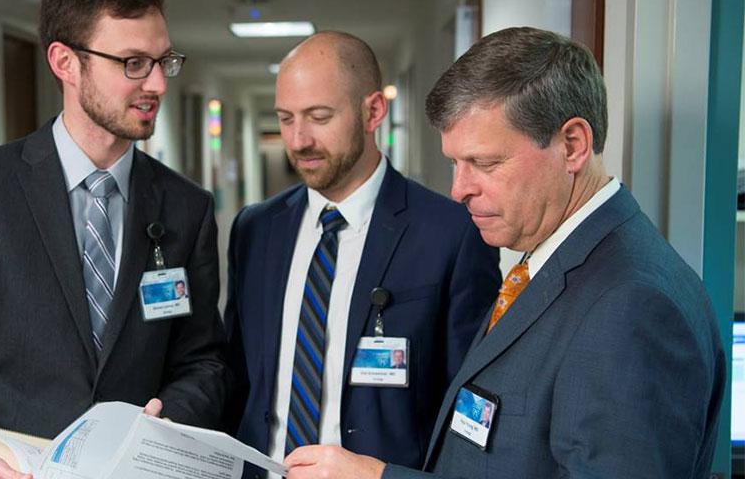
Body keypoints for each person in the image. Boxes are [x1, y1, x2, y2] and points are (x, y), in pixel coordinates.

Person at [282, 27, 725, 479]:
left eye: (486, 163)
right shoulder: (544, 262)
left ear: (572, 145)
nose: (459, 190)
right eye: (456, 163)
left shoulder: (631, 305)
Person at [0, 0, 227, 478]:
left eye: (162, 62)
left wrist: (164, 424)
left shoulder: (186, 208)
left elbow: (204, 362)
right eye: (133, 63)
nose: (156, 83)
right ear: (65, 62)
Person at [224, 31, 500, 479]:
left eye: (318, 117)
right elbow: (236, 377)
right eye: (286, 118)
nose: (298, 140)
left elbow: (469, 400)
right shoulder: (256, 229)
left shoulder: (450, 234)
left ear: (373, 111)